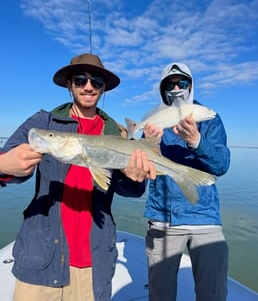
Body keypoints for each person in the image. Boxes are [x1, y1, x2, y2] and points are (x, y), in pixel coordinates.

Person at [0, 53, 155, 301]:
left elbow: (132, 190)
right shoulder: (45, 122)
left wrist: (135, 178)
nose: (88, 87)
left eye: (96, 82)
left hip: (94, 263)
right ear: (69, 84)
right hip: (41, 258)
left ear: (104, 89)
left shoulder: (116, 133)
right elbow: (11, 166)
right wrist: (4, 164)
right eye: (80, 80)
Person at [143, 62, 230, 301]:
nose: (176, 88)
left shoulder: (209, 117)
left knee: (213, 293)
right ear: (162, 89)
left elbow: (222, 165)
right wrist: (147, 143)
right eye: (169, 84)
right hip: (163, 217)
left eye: (181, 83)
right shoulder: (154, 120)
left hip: (205, 218)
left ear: (191, 86)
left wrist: (196, 140)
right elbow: (143, 170)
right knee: (160, 294)